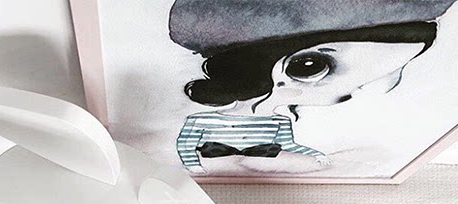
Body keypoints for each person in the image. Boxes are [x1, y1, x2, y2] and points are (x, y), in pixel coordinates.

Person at [169, 0, 457, 174]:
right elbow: (184, 147)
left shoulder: (280, 124)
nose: (348, 94)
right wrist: (194, 166)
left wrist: (314, 157)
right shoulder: (202, 121)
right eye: (311, 66)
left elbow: (289, 147)